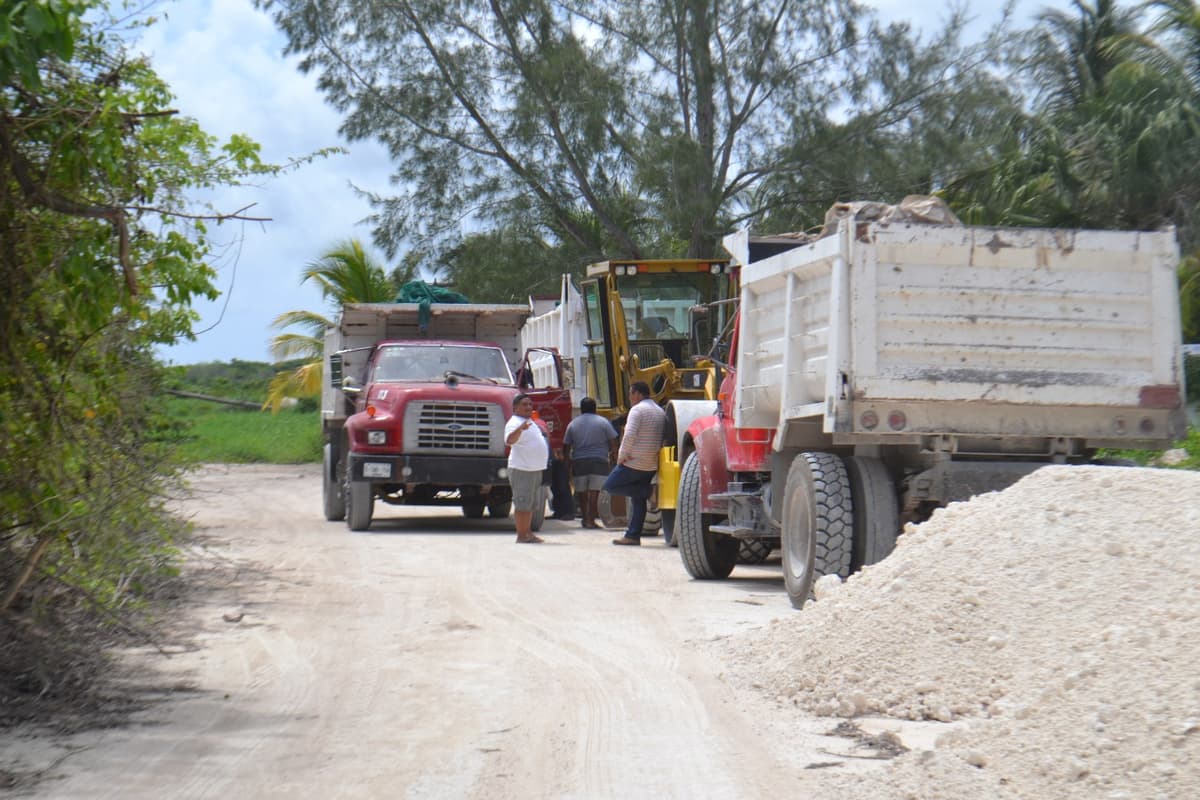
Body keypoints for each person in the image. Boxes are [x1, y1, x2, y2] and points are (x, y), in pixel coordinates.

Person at [603, 381, 666, 546]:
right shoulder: (660, 411)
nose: (630, 398)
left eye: (631, 394)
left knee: (610, 486)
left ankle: (647, 491)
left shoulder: (637, 410)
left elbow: (629, 435)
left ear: (637, 394)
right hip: (650, 463)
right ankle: (633, 535)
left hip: (633, 462)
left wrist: (621, 457)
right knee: (638, 500)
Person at [562, 397, 619, 529]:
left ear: (581, 409)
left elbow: (566, 446)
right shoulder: (603, 422)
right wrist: (614, 457)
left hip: (579, 461)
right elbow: (613, 442)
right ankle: (591, 520)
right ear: (595, 408)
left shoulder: (573, 424)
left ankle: (585, 519)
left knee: (581, 492)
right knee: (595, 492)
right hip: (599, 461)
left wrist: (567, 463)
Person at [504, 394, 549, 544]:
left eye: (530, 404)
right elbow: (510, 440)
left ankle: (528, 533)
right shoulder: (514, 423)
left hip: (534, 469)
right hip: (522, 469)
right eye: (524, 404)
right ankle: (521, 535)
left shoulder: (529, 421)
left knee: (530, 505)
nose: (529, 407)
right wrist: (520, 429)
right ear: (515, 408)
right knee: (522, 503)